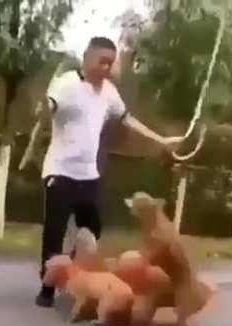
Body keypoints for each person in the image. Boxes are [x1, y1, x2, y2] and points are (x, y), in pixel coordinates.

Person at [35, 36, 182, 308]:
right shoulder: (66, 83)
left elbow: (127, 119)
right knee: (54, 233)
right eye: (102, 61)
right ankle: (47, 288)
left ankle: (75, 276)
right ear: (87, 58)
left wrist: (161, 140)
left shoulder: (109, 92)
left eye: (111, 63)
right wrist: (44, 109)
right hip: (60, 172)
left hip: (88, 175)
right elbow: (50, 108)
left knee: (92, 232)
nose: (107, 67)